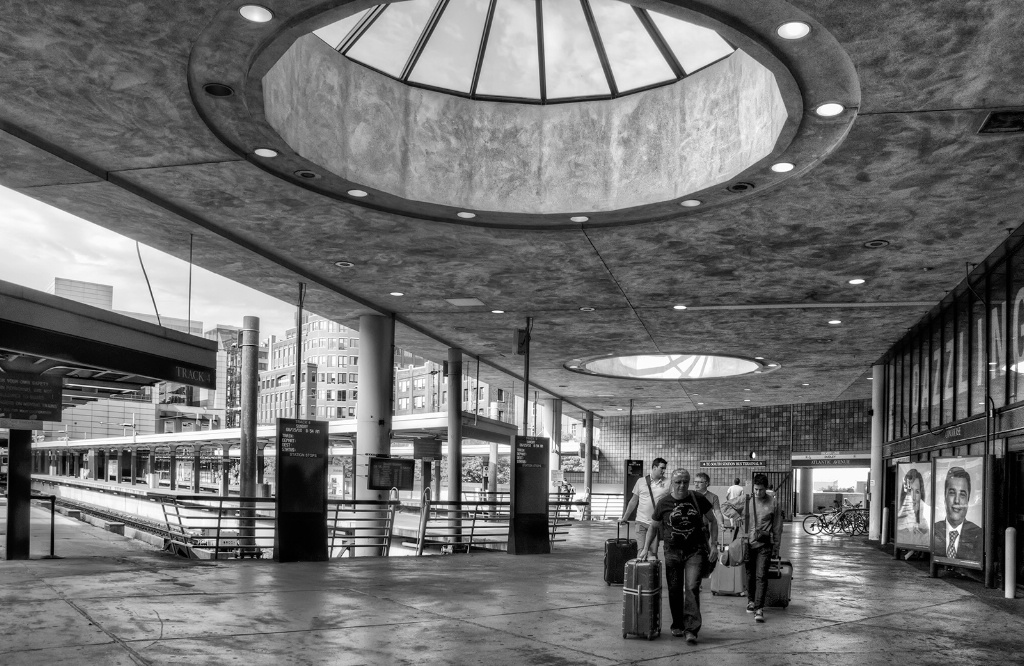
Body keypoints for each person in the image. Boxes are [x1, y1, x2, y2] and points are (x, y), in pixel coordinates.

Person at [639, 468, 718, 644]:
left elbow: (713, 521)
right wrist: (645, 548)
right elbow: (653, 526)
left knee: (691, 587)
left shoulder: (698, 499)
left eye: (685, 481)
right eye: (678, 482)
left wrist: (713, 544)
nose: (682, 485)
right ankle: (678, 624)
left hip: (695, 551)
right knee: (674, 590)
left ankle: (691, 629)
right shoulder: (664, 502)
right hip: (672, 552)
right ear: (672, 483)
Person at [745, 473, 783, 623]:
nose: (757, 492)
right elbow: (727, 507)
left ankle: (759, 608)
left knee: (761, 575)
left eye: (761, 490)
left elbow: (777, 527)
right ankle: (751, 600)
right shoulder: (747, 500)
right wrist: (737, 520)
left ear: (766, 489)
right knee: (750, 574)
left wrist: (777, 548)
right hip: (748, 544)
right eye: (755, 489)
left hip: (764, 545)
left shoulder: (774, 503)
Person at [620, 458, 669, 556]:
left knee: (652, 553)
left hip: (655, 523)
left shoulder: (668, 483)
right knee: (641, 551)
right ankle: (640, 570)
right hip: (641, 522)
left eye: (665, 469)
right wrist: (625, 517)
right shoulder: (641, 481)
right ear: (654, 467)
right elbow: (633, 501)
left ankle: (651, 570)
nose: (664, 471)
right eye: (662, 468)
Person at [933, 466, 982, 561]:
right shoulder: (933, 530)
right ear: (945, 496)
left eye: (962, 495)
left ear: (968, 500)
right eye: (952, 493)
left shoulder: (979, 535)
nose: (957, 500)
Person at [896, 468, 928, 548]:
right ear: (904, 494)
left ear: (921, 495)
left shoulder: (926, 525)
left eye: (917, 492)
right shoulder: (900, 526)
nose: (913, 497)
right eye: (910, 491)